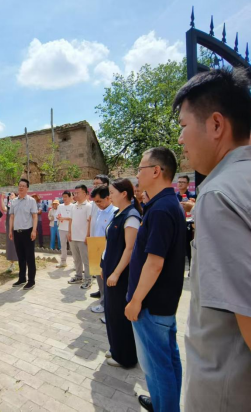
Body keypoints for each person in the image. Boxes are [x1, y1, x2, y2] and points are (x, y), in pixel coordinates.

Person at [174, 69, 251, 412]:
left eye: (183, 125)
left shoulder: (220, 195)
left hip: (231, 395)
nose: (180, 139)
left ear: (216, 125)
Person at [125, 148, 186, 413]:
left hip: (151, 304)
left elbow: (155, 263)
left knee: (157, 366)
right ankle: (163, 403)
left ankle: (165, 406)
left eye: (140, 169)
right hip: (162, 302)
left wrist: (136, 300)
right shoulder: (166, 204)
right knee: (168, 361)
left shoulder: (161, 209)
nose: (138, 175)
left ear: (156, 171)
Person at [102, 179, 142, 369]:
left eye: (112, 192)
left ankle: (125, 357)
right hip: (110, 270)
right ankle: (115, 347)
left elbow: (130, 248)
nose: (109, 196)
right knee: (111, 313)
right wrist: (103, 266)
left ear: (124, 193)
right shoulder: (118, 213)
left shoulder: (131, 216)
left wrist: (116, 273)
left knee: (119, 315)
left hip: (121, 275)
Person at [87, 186, 118, 314]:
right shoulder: (100, 211)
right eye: (95, 202)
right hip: (97, 248)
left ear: (108, 198)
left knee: (107, 279)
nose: (97, 204)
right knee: (99, 278)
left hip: (108, 251)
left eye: (99, 201)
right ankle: (103, 302)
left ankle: (108, 306)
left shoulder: (115, 213)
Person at [8, 179, 38, 290]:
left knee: (30, 257)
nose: (21, 187)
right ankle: (22, 278)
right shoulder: (14, 201)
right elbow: (12, 216)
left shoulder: (31, 201)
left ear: (27, 188)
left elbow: (34, 216)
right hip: (17, 232)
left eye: (23, 186)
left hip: (28, 232)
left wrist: (34, 230)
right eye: (19, 185)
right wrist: (10, 230)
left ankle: (31, 280)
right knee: (20, 257)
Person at [68, 185, 93, 290]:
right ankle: (78, 276)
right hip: (73, 237)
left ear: (85, 193)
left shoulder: (88, 206)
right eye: (75, 193)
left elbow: (90, 222)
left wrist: (87, 236)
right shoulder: (73, 206)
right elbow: (70, 220)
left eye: (78, 193)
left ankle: (88, 279)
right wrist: (69, 233)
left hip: (83, 238)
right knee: (76, 259)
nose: (76, 195)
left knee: (86, 260)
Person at [0, 192, 18, 274]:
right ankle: (12, 264)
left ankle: (23, 263)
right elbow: (4, 208)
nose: (10, 196)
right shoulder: (9, 205)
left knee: (19, 244)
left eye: (12, 195)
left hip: (18, 226)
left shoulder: (18, 204)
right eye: (9, 195)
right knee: (10, 244)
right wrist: (2, 198)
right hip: (9, 227)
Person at [56, 191, 73, 268]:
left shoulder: (73, 206)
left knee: (73, 247)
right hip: (61, 228)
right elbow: (57, 215)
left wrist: (64, 218)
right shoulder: (60, 206)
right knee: (63, 246)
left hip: (71, 229)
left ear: (70, 197)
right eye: (63, 197)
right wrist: (58, 217)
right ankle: (63, 262)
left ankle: (76, 263)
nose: (64, 198)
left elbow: (72, 218)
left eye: (66, 197)